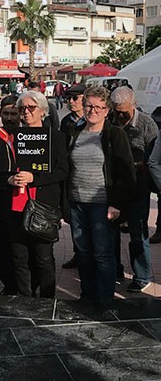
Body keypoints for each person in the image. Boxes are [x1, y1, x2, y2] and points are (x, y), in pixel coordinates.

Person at [67, 86, 135, 310]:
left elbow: (126, 173)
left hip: (102, 205)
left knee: (103, 254)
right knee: (84, 252)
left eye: (98, 107)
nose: (92, 110)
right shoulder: (75, 133)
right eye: (89, 105)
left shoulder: (114, 135)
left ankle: (105, 299)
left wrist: (117, 204)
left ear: (107, 110)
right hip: (77, 202)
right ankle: (87, 295)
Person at [4, 90, 69, 298]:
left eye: (31, 108)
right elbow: (1, 169)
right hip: (16, 204)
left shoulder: (56, 137)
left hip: (43, 205)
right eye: (22, 108)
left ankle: (48, 299)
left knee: (43, 257)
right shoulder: (12, 137)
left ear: (43, 111)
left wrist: (35, 178)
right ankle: (25, 298)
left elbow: (62, 170)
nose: (25, 113)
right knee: (19, 257)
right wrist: (9, 179)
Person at [110, 85, 157, 291]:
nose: (120, 116)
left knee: (138, 233)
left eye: (124, 112)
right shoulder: (109, 121)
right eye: (117, 111)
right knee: (111, 232)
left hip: (139, 186)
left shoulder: (147, 124)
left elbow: (154, 157)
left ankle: (142, 275)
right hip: (114, 187)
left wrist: (133, 164)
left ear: (134, 105)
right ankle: (114, 269)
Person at [0, 96, 24, 294]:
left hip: (26, 199)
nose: (10, 118)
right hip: (3, 199)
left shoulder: (30, 135)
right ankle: (8, 285)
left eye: (14, 114)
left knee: (22, 246)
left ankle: (25, 284)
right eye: (6, 114)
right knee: (3, 245)